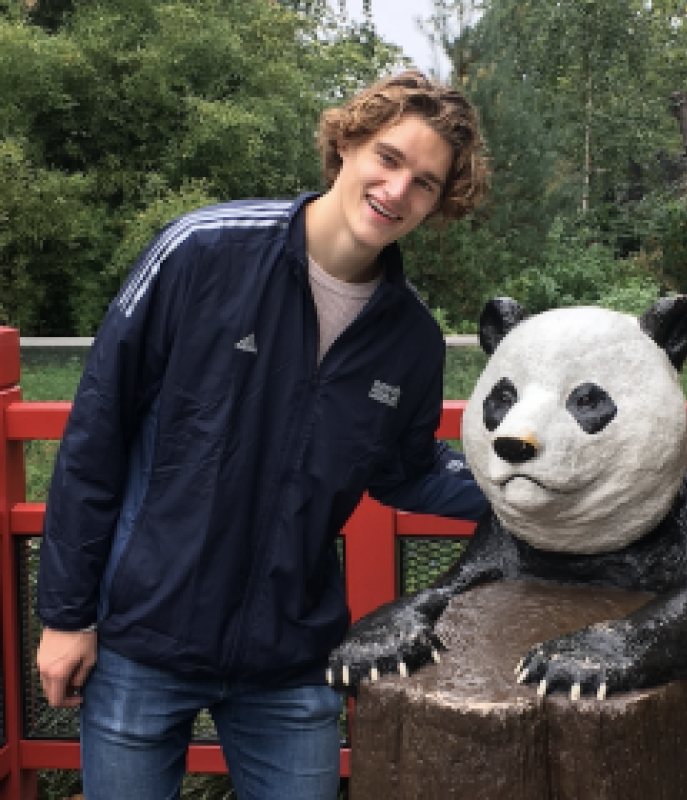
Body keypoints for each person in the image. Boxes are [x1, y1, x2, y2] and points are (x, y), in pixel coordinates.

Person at [35, 69, 490, 800]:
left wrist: (541, 492)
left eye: (426, 183)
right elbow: (97, 431)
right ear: (347, 143)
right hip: (141, 641)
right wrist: (66, 617)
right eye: (388, 157)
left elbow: (408, 470)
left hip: (290, 661)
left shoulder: (410, 340)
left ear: (439, 203)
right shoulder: (202, 251)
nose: (398, 190)